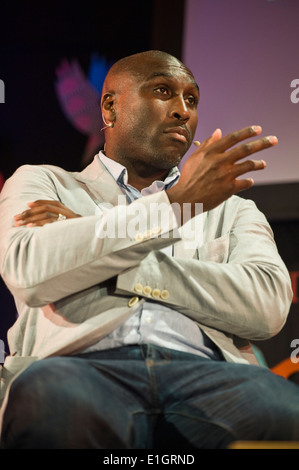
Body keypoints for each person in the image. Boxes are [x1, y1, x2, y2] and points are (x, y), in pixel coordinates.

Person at [0, 50, 298, 450]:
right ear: (110, 106)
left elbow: (267, 306)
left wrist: (102, 258)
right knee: (49, 399)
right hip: (77, 367)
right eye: (163, 91)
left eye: (191, 100)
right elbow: (29, 269)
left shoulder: (233, 208)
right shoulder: (44, 183)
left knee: (286, 411)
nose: (182, 111)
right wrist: (174, 205)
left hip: (209, 373)